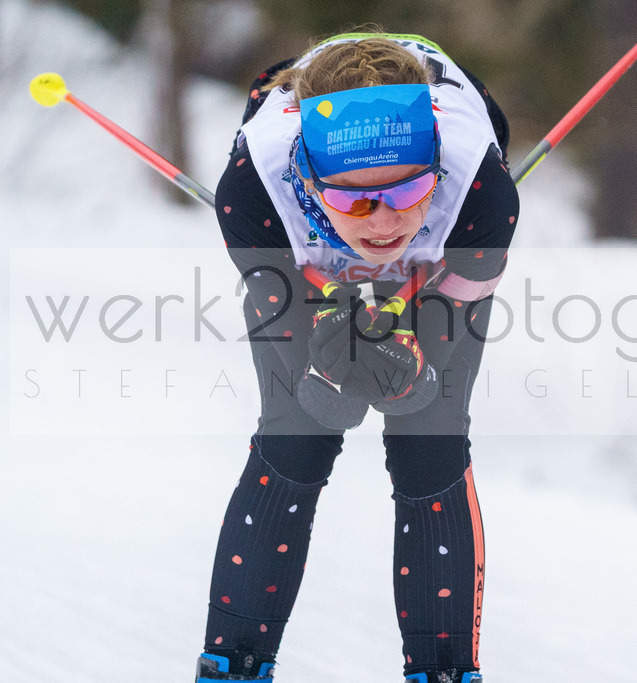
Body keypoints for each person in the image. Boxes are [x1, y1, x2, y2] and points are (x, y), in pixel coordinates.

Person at [196, 30, 517, 683]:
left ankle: (445, 670)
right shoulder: (253, 192)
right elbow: (291, 318)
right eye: (355, 198)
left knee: (430, 433)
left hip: (446, 248)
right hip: (299, 256)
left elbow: (446, 327)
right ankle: (232, 664)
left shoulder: (479, 191)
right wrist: (323, 367)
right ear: (312, 184)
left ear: (435, 166)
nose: (382, 220)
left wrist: (416, 364)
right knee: (298, 431)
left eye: (404, 190)